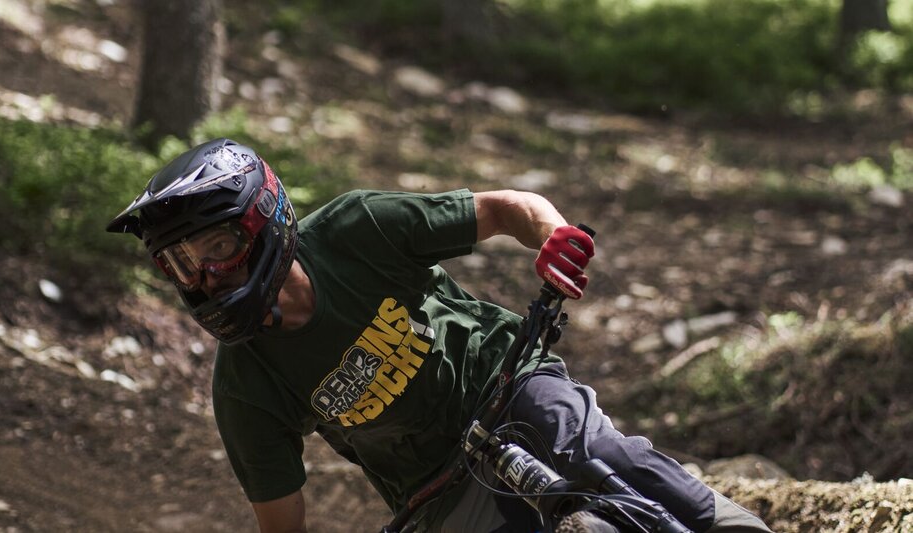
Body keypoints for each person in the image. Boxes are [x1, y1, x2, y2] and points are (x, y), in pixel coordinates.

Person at [107, 138, 771, 532]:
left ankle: (731, 524)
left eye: (215, 245)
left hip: (507, 382)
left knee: (603, 459)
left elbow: (510, 208)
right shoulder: (245, 384)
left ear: (261, 219)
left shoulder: (355, 229)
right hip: (435, 490)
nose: (205, 276)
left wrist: (553, 239)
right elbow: (283, 523)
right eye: (180, 263)